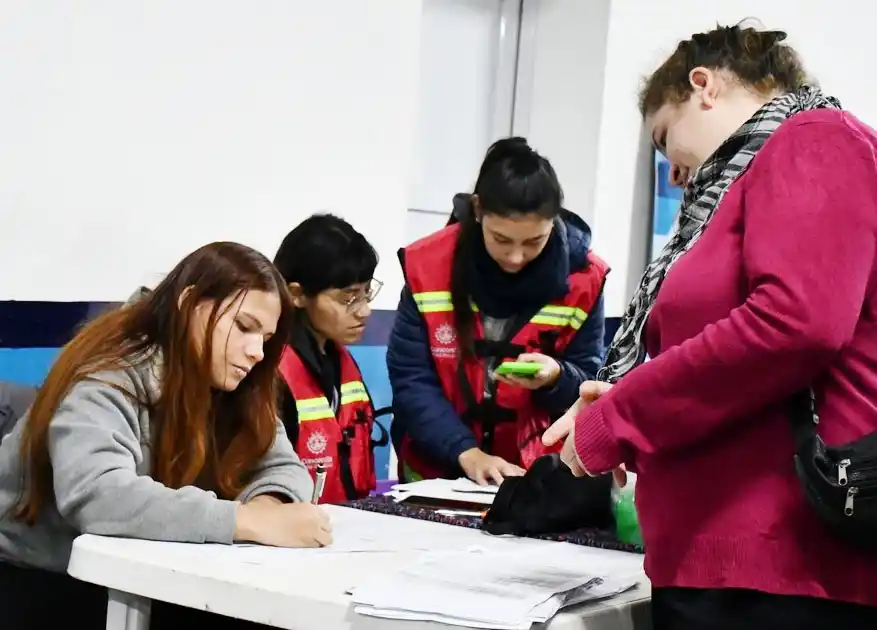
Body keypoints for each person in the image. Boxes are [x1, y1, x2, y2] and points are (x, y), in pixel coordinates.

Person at [543, 23, 877, 629]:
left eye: (666, 140)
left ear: (703, 86)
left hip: (782, 566)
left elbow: (794, 323)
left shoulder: (813, 139)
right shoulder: (758, 172)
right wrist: (621, 399)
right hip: (727, 562)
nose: (675, 174)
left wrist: (618, 420)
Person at [0, 242, 331, 630]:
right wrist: (244, 521)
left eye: (267, 337)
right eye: (244, 327)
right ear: (189, 303)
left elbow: (281, 465)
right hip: (37, 574)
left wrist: (269, 505)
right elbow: (96, 494)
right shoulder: (109, 370)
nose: (257, 351)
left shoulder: (238, 380)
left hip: (138, 570)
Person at [388, 137, 608, 485]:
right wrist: (467, 453)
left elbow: (590, 385)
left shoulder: (585, 279)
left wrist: (556, 376)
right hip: (435, 472)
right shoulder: (428, 267)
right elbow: (411, 378)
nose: (516, 257)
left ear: (554, 222)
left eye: (534, 242)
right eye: (502, 240)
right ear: (477, 210)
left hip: (533, 478)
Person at [273, 214, 388, 503]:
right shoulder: (270, 371)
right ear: (296, 294)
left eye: (366, 292)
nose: (364, 311)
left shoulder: (338, 358)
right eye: (348, 298)